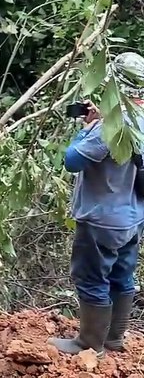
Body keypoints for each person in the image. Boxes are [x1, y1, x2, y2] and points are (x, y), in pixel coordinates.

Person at [49, 52, 144, 356]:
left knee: (92, 278)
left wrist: (87, 127)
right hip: (133, 218)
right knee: (122, 275)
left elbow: (72, 161)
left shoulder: (111, 126)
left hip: (100, 219)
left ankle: (89, 344)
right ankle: (114, 339)